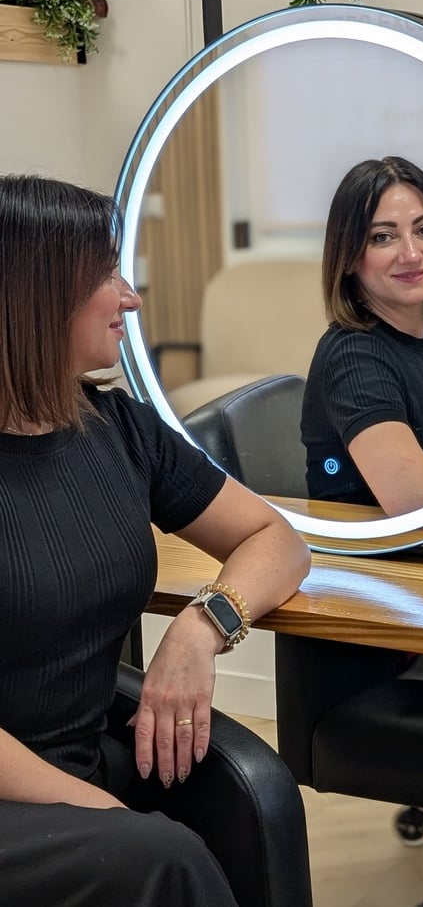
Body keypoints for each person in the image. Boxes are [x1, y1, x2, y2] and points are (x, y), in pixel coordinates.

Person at [0, 174, 311, 906]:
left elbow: (279, 539)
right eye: (109, 275)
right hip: (21, 788)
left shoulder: (119, 429)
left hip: (77, 758)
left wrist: (203, 627)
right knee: (163, 860)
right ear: (36, 295)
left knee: (250, 809)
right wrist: (103, 817)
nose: (131, 298)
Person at [301, 155, 423, 518]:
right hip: (377, 565)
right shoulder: (354, 356)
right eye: (383, 237)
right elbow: (412, 496)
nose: (411, 253)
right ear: (349, 255)